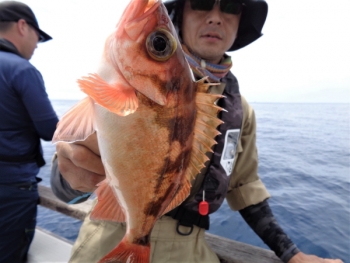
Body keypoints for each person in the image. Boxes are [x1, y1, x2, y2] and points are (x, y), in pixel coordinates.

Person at [50, 0, 343, 262]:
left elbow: (245, 190)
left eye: (230, 7)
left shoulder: (241, 111)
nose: (216, 17)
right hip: (108, 238)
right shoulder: (129, 82)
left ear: (239, 21)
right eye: (202, 3)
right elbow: (63, 185)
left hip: (191, 250)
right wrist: (72, 176)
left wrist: (293, 255)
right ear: (180, 14)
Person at [0, 1, 59, 262]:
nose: (37, 45)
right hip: (11, 190)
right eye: (38, 36)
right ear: (23, 26)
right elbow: (51, 131)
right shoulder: (22, 70)